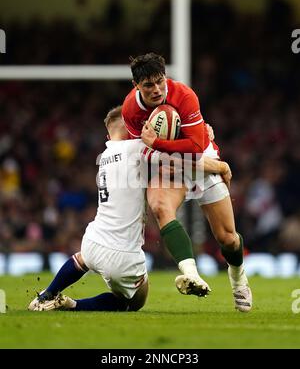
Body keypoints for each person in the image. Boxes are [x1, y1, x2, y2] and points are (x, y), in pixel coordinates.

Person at [28, 105, 232, 312]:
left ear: (109, 133)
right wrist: (220, 163)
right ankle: (73, 305)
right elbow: (182, 160)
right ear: (132, 126)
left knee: (82, 259)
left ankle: (47, 295)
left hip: (93, 239)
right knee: (133, 301)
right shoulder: (137, 149)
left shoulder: (105, 155)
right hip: (123, 254)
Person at [122, 53, 252, 312]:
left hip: (201, 157)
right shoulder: (131, 109)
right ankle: (191, 273)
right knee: (159, 205)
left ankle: (238, 279)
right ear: (136, 85)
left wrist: (158, 144)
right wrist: (160, 152)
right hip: (169, 164)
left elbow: (194, 146)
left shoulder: (184, 95)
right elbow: (142, 152)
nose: (157, 89)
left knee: (228, 239)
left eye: (160, 81)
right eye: (148, 85)